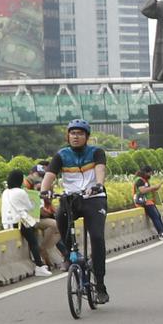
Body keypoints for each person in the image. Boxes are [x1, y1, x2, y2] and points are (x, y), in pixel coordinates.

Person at [39, 119, 111, 302]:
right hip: (71, 199)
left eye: (80, 133)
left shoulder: (96, 152)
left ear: (87, 137)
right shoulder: (61, 155)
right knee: (60, 221)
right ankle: (72, 254)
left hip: (93, 199)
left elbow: (100, 170)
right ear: (68, 136)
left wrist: (98, 185)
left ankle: (100, 284)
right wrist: (44, 191)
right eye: (73, 133)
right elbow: (49, 175)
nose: (76, 136)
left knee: (96, 237)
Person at [1, 169, 52, 277]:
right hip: (20, 222)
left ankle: (40, 264)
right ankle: (39, 265)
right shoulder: (21, 192)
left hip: (7, 223)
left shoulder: (5, 192)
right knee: (33, 241)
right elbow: (29, 207)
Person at [134, 165, 163, 239]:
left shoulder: (144, 180)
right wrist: (154, 187)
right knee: (155, 217)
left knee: (158, 216)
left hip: (149, 202)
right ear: (145, 173)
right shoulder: (139, 180)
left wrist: (155, 188)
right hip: (144, 202)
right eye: (150, 173)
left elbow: (147, 189)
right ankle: (162, 232)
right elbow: (142, 190)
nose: (150, 175)